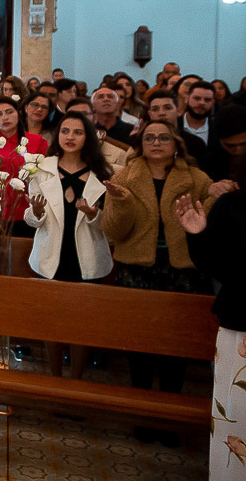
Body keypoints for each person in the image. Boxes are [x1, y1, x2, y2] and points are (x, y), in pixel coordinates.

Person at [101, 120, 216, 446]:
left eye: (163, 137)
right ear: (141, 143)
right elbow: (113, 231)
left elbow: (211, 223)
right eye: (149, 137)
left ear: (176, 143)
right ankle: (143, 417)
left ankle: (170, 420)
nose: (156, 142)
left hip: (181, 271)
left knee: (175, 350)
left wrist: (216, 197)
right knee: (140, 348)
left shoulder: (195, 178)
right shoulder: (126, 176)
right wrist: (121, 203)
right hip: (137, 271)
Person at [24, 112, 115, 380]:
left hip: (87, 257)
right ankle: (55, 378)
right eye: (65, 131)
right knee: (52, 321)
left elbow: (109, 225)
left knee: (82, 324)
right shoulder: (42, 168)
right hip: (51, 254)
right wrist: (37, 211)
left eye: (78, 132)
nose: (70, 137)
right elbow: (32, 220)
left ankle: (76, 379)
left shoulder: (102, 174)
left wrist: (92, 214)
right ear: (58, 135)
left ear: (87, 137)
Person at [175, 153, 246, 480]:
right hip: (241, 320)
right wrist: (199, 234)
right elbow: (216, 264)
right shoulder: (233, 204)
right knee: (236, 413)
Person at [0, 95, 49, 237]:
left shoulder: (37, 142)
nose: (4, 117)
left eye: (9, 112)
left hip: (24, 212)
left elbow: (45, 177)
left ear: (19, 114)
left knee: (22, 256)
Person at [65, 97, 129, 170]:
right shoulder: (58, 151)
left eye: (83, 114)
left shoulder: (119, 154)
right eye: (71, 115)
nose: (78, 119)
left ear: (95, 118)